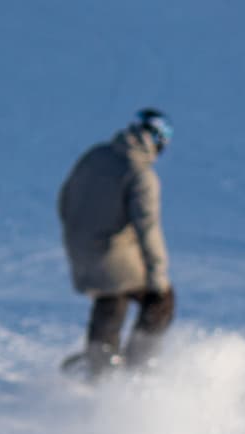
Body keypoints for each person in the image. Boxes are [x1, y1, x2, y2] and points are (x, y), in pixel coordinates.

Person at [57, 110, 176, 376]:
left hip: (79, 250)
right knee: (160, 299)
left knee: (111, 296)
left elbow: (65, 199)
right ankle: (139, 366)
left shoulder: (95, 155)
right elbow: (148, 228)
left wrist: (79, 235)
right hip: (112, 252)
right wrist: (157, 274)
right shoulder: (141, 175)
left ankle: (99, 358)